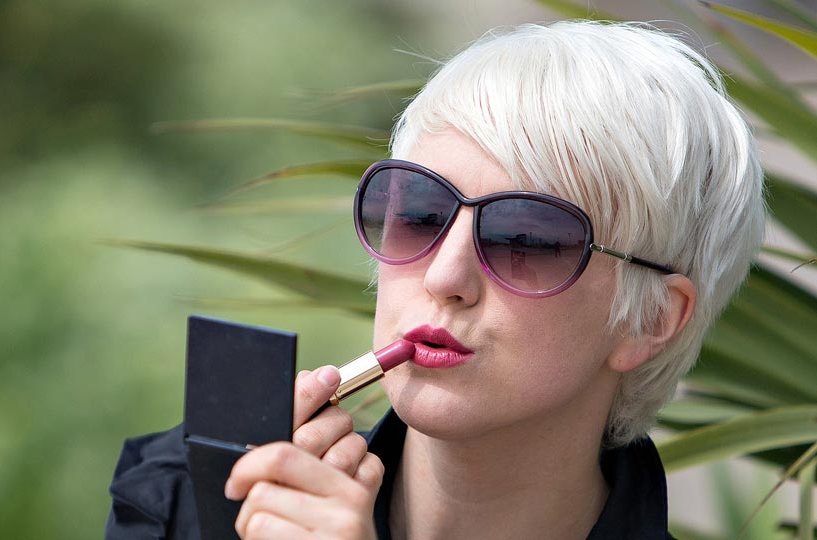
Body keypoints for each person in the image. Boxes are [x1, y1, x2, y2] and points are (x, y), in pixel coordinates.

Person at [107, 20, 765, 539]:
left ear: (649, 319)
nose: (446, 276)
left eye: (527, 239)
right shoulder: (190, 505)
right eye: (420, 213)